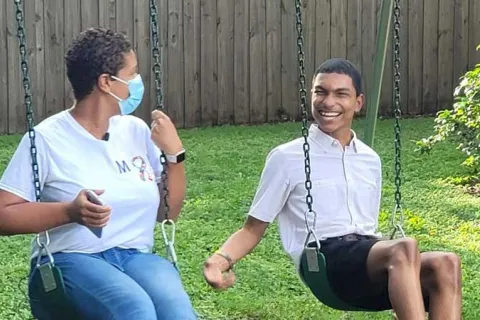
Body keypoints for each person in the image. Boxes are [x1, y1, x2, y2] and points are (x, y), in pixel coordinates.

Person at [203, 58, 462, 319]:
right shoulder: (288, 157)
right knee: (404, 247)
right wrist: (219, 260)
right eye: (321, 92)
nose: (328, 102)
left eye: (341, 94)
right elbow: (252, 229)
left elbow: (367, 230)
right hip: (324, 261)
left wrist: (402, 283)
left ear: (358, 103)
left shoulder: (369, 159)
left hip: (366, 257)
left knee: (446, 263)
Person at [0, 27, 196, 320]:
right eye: (132, 73)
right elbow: (4, 214)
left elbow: (167, 212)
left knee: (177, 311)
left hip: (133, 256)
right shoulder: (46, 138)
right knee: (135, 309)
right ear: (106, 82)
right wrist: (69, 212)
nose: (136, 83)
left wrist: (174, 156)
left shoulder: (136, 130)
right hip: (71, 259)